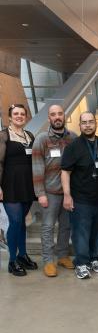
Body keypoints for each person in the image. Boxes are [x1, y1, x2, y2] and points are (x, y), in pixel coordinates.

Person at [61, 112, 98, 279]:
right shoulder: (73, 146)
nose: (88, 125)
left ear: (95, 123)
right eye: (84, 123)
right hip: (81, 199)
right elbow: (65, 172)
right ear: (79, 125)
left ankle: (94, 259)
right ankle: (81, 263)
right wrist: (67, 195)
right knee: (81, 233)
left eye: (90, 122)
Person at [32, 104, 77, 277]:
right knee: (48, 227)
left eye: (60, 113)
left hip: (68, 193)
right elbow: (36, 168)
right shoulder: (42, 139)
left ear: (64, 116)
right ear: (49, 118)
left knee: (66, 227)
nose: (57, 117)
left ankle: (63, 255)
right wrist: (40, 194)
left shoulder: (72, 137)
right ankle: (48, 261)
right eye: (53, 114)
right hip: (49, 192)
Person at [0, 104, 37, 276]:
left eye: (22, 114)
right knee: (15, 222)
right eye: (16, 114)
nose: (19, 116)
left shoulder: (29, 135)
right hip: (10, 186)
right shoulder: (3, 135)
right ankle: (12, 261)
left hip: (28, 185)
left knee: (22, 222)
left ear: (26, 117)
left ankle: (22, 255)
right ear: (9, 117)